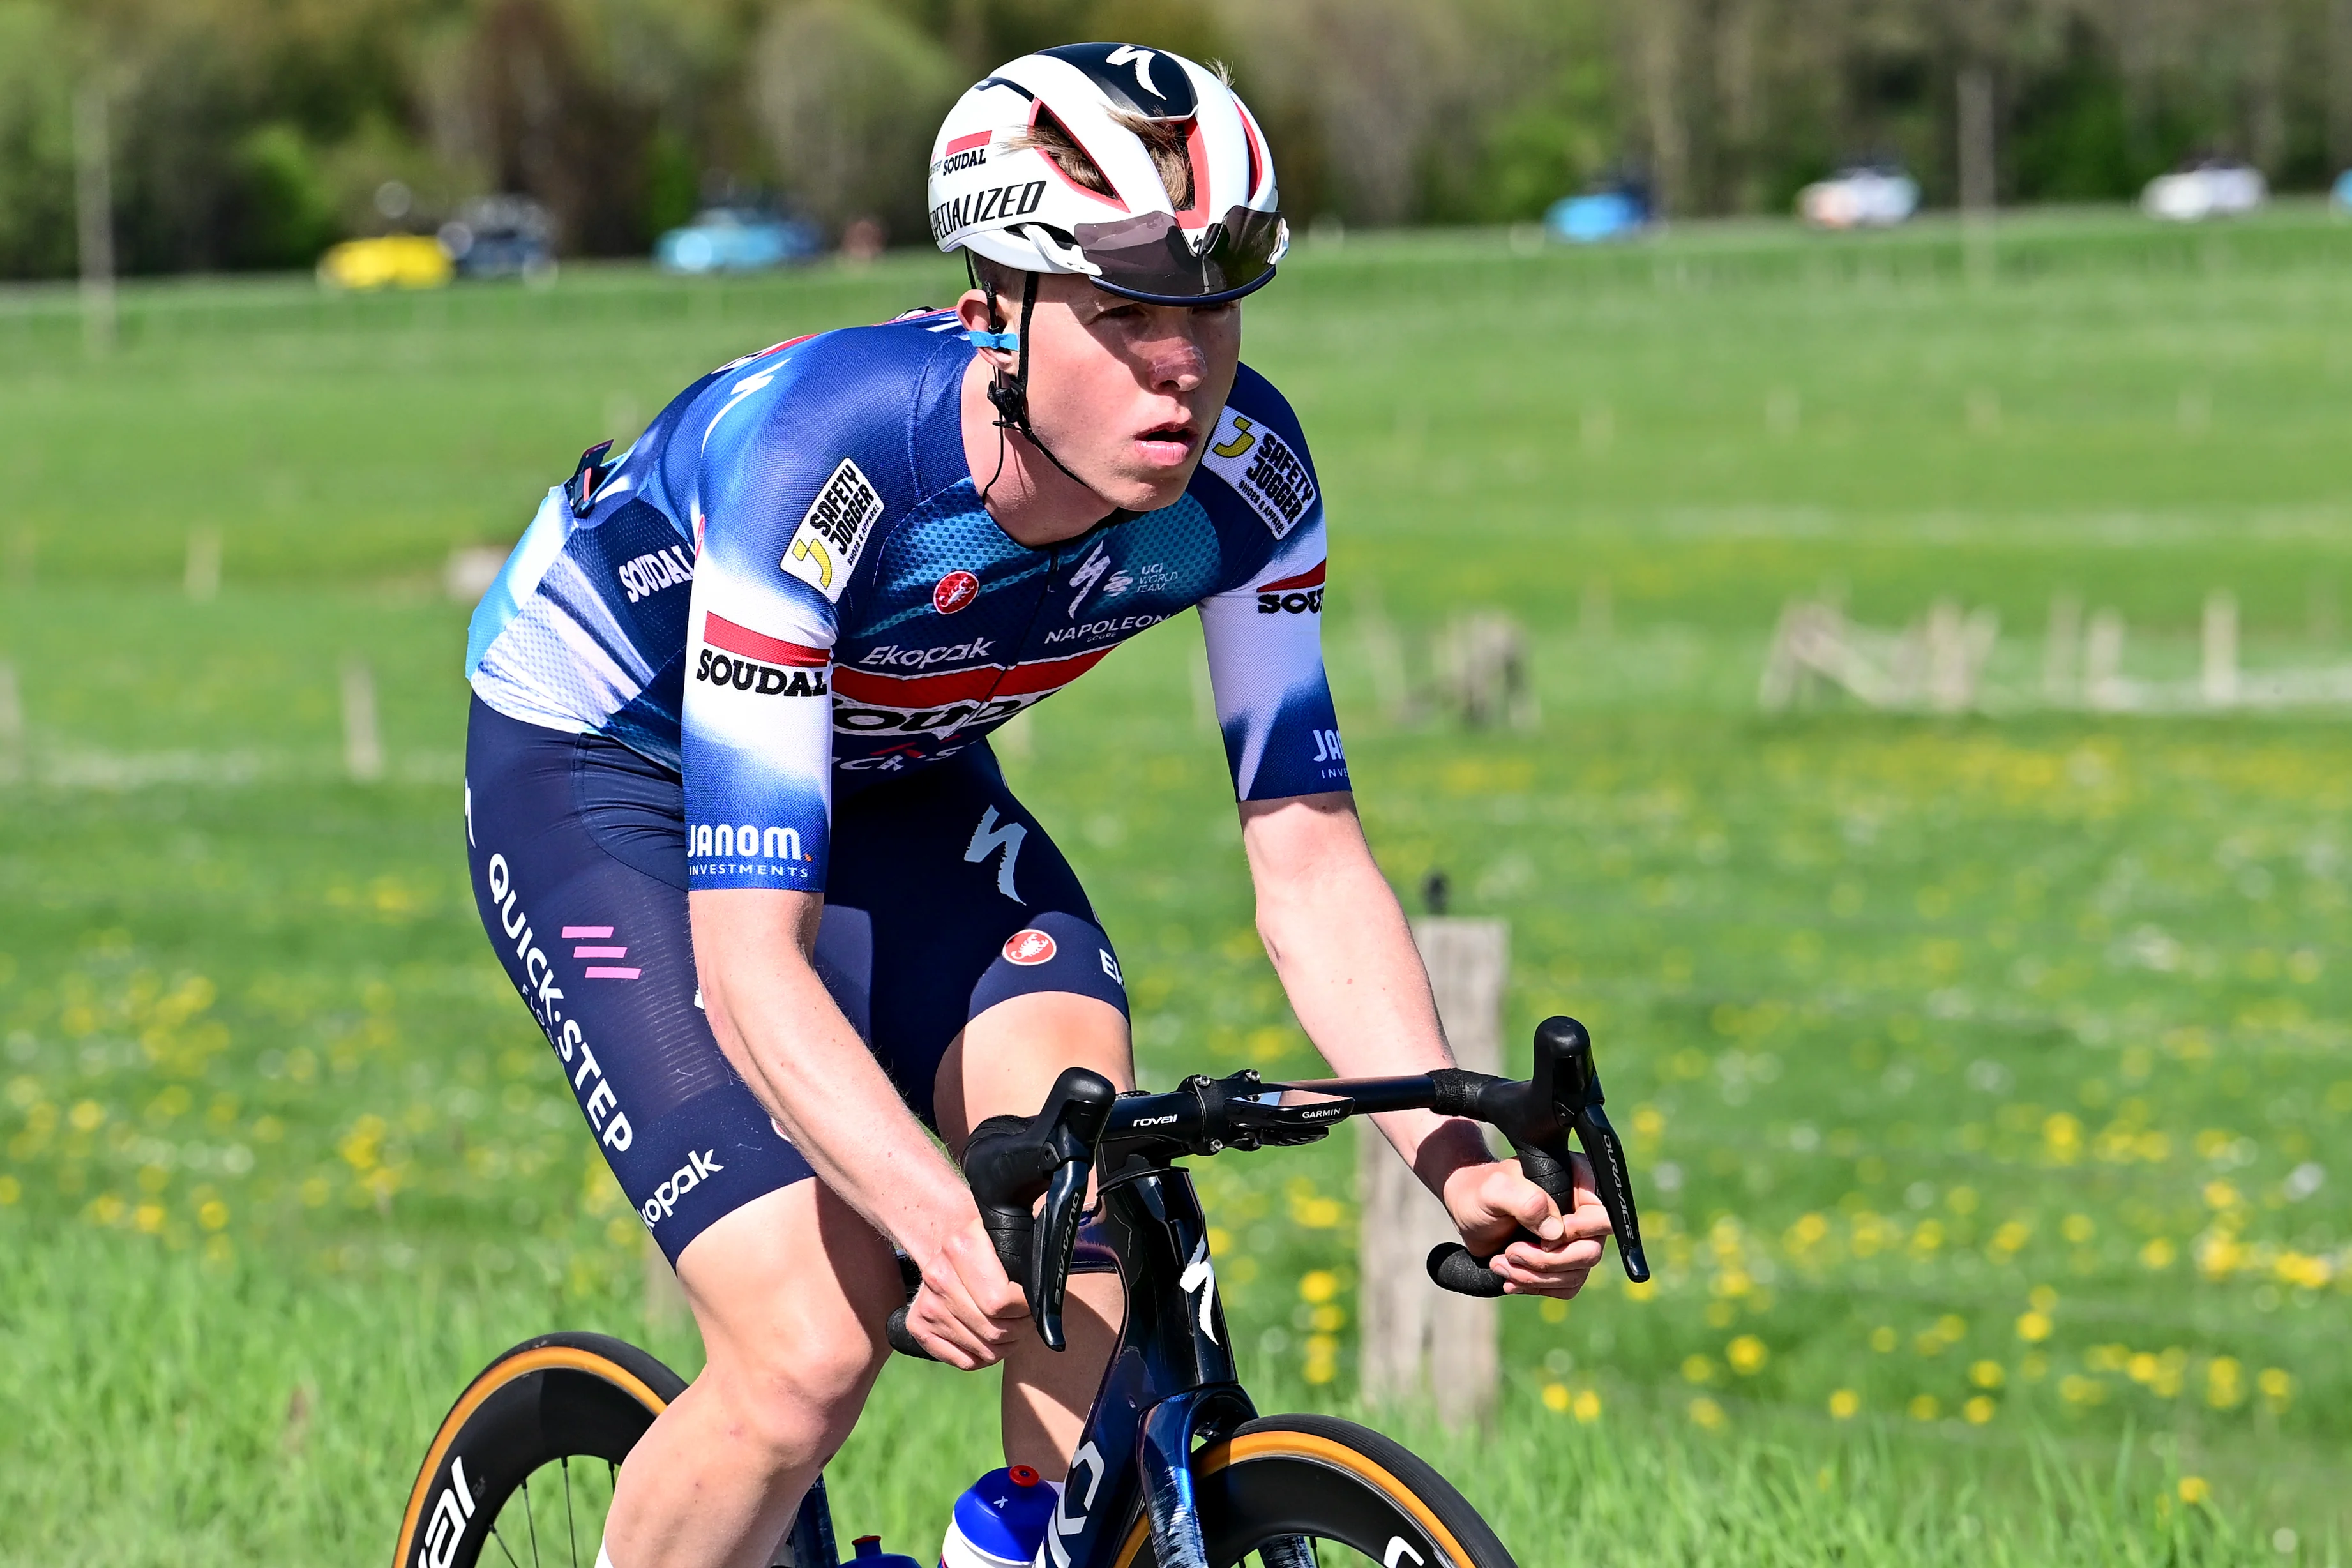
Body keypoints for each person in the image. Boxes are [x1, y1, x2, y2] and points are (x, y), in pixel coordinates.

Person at [459, 41, 1612, 1568]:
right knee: (811, 1345)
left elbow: (1312, 862)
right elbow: (748, 963)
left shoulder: (1250, 481)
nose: (1183, 365)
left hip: (887, 768)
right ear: (993, 306)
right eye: (1125, 311)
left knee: (1082, 1210)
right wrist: (917, 1213)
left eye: (1212, 304)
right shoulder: (832, 461)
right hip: (612, 773)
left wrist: (1453, 1162)